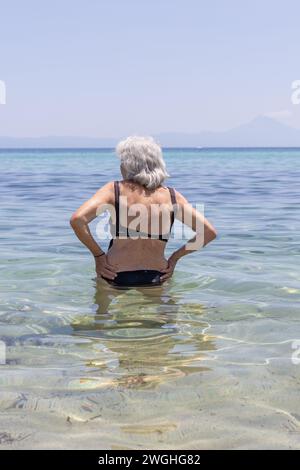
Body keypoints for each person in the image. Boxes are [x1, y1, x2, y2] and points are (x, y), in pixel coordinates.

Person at [70, 136, 217, 287]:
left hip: (113, 273)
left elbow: (77, 220)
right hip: (156, 275)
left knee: (105, 311)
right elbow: (208, 232)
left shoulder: (114, 190)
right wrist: (174, 258)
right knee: (163, 310)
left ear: (128, 165)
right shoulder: (173, 197)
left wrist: (98, 256)